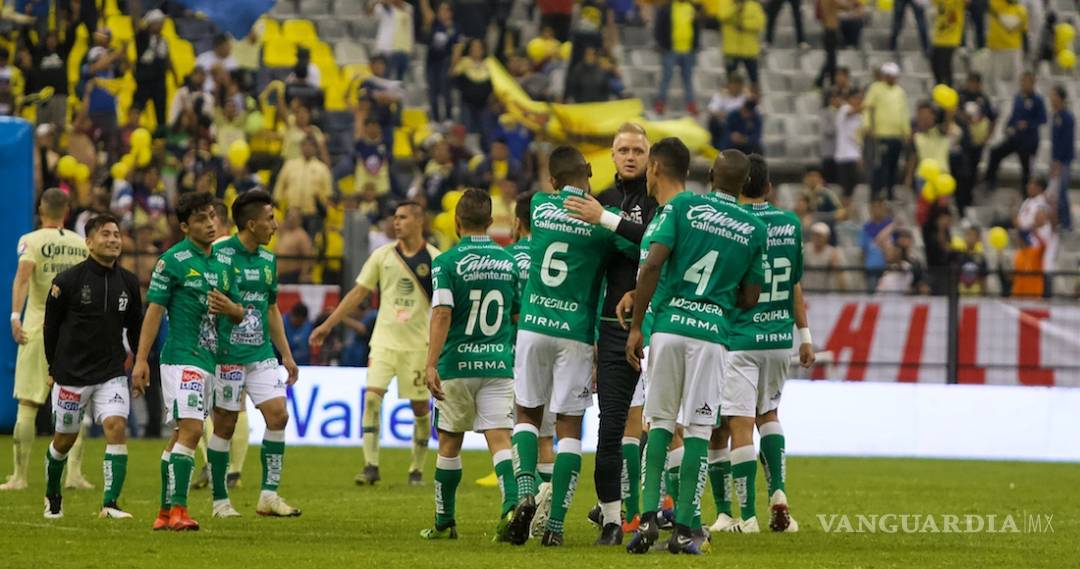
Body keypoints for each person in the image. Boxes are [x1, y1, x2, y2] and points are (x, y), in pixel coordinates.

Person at [626, 147, 765, 554]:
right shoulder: (754, 229)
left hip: (668, 329)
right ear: (743, 185)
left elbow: (652, 264)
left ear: (710, 176)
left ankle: (649, 519)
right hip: (712, 335)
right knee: (701, 430)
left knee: (660, 424)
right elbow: (751, 296)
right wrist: (720, 297)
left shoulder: (684, 205)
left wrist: (637, 326)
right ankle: (685, 528)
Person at [508, 146, 637, 547]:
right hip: (576, 332)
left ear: (551, 180)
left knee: (527, 413)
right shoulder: (600, 221)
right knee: (568, 427)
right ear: (590, 172)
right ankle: (556, 526)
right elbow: (637, 249)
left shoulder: (542, 206)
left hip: (533, 325)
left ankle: (526, 489)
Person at [562, 123, 658, 542]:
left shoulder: (660, 199)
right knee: (612, 427)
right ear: (613, 156)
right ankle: (614, 518)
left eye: (638, 149)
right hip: (612, 328)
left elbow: (655, 248)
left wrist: (607, 221)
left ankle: (659, 512)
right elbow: (593, 269)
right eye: (624, 150)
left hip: (660, 325)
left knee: (666, 426)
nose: (631, 156)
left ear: (650, 157)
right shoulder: (602, 200)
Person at [132, 192, 244, 531]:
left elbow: (239, 312)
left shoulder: (224, 263)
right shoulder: (173, 260)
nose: (210, 224)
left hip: (209, 359)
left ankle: (164, 513)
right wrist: (140, 360)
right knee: (194, 431)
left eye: (212, 217)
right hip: (181, 358)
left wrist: (231, 309)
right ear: (184, 226)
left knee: (180, 433)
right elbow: (153, 311)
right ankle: (180, 510)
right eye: (200, 219)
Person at [420, 188, 527, 541]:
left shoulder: (446, 263)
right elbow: (515, 315)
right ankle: (511, 503)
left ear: (456, 221)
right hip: (498, 363)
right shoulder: (509, 261)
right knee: (499, 438)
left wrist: (431, 362)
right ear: (491, 220)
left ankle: (444, 521)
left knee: (450, 441)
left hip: (457, 364)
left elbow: (442, 312)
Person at [716, 154, 814, 534]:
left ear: (738, 186)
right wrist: (804, 336)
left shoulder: (734, 223)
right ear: (769, 187)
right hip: (778, 337)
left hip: (740, 336)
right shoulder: (790, 224)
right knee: (768, 414)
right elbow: (794, 283)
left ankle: (746, 517)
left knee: (737, 423)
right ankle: (779, 493)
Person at [310, 202, 441, 486]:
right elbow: (358, 293)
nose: (396, 222)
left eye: (403, 217)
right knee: (371, 399)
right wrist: (327, 325)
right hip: (383, 341)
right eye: (394, 217)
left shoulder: (435, 259)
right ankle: (371, 466)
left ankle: (416, 469)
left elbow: (445, 308)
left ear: (419, 221)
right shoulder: (382, 255)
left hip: (418, 345)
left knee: (420, 409)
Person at [207, 190, 302, 518]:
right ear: (251, 224)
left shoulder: (267, 260)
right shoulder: (218, 253)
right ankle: (220, 501)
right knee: (225, 424)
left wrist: (286, 355)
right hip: (225, 355)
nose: (275, 226)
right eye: (270, 219)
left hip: (260, 353)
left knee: (279, 415)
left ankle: (268, 496)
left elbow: (271, 309)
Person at [41, 214, 143, 519]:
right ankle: (52, 495)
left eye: (116, 234)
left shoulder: (128, 282)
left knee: (117, 427)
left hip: (111, 372)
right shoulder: (68, 281)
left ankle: (110, 505)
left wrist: (139, 361)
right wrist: (52, 368)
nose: (113, 239)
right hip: (71, 374)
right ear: (89, 242)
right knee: (64, 440)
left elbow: (135, 327)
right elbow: (51, 327)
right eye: (105, 234)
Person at [4, 189, 89, 492]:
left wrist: (15, 315)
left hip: (39, 325)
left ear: (41, 208)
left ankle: (19, 476)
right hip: (77, 330)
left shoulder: (31, 240)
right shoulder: (82, 245)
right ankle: (75, 475)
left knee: (28, 401)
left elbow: (24, 275)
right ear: (67, 209)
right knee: (80, 401)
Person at [984, 72, 1046, 193]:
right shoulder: (1018, 97)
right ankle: (990, 182)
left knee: (1026, 170)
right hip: (1015, 138)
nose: (1023, 84)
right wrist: (1008, 126)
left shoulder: (1038, 100)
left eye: (1026, 81)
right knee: (995, 152)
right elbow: (1014, 115)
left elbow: (1042, 119)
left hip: (1029, 141)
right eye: (1022, 81)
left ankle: (1026, 195)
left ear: (1032, 83)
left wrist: (1028, 124)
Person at [862, 63, 909, 200]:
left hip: (896, 135)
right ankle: (876, 191)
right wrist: (867, 125)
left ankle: (890, 191)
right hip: (881, 135)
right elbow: (867, 108)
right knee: (881, 165)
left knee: (894, 166)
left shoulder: (900, 92)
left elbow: (904, 113)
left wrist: (906, 131)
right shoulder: (876, 88)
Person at [273, 135, 333, 235]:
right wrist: (282, 209)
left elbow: (328, 195)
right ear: (301, 147)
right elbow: (279, 189)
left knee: (309, 246)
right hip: (291, 213)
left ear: (315, 149)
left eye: (311, 146)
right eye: (305, 145)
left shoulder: (322, 169)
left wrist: (323, 213)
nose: (307, 148)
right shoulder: (289, 165)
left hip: (312, 215)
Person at [653, 0, 702, 115]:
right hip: (671, 49)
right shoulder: (667, 8)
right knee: (666, 78)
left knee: (688, 79)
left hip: (688, 50)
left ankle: (691, 105)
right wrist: (661, 44)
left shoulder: (691, 8)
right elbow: (659, 26)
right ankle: (660, 104)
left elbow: (696, 27)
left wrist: (695, 45)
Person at [132, 8, 175, 128]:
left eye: (161, 22)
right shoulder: (142, 37)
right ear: (150, 23)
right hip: (144, 80)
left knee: (161, 111)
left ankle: (161, 136)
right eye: (158, 22)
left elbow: (167, 59)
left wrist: (175, 76)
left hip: (159, 81)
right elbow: (135, 26)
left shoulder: (164, 41)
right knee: (137, 107)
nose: (160, 25)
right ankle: (131, 130)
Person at [718, 0, 765, 86]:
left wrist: (744, 25)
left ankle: (754, 98)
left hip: (749, 50)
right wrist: (736, 8)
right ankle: (730, 99)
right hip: (731, 50)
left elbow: (760, 23)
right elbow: (721, 16)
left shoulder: (754, 5)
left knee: (754, 80)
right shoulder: (725, 2)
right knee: (730, 80)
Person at [1049, 85, 1074, 232]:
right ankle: (1058, 219)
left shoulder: (1067, 117)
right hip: (1056, 160)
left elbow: (1066, 141)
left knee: (1062, 190)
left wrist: (1058, 160)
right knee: (1056, 192)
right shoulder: (1055, 116)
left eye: (1054, 96)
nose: (1052, 99)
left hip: (1063, 161)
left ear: (1060, 98)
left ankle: (1066, 223)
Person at [372, 0, 415, 80]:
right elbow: (371, 12)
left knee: (400, 82)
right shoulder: (384, 8)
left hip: (404, 50)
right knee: (385, 80)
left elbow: (409, 29)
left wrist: (410, 48)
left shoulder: (409, 8)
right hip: (388, 50)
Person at [987, 0, 1027, 85]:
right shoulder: (995, 3)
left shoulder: (1021, 11)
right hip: (996, 49)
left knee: (1017, 79)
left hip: (1013, 49)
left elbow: (1012, 28)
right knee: (995, 79)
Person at [803, 222, 848, 291]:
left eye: (820, 236)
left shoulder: (833, 252)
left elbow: (840, 275)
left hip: (824, 294)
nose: (817, 238)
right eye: (815, 235)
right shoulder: (804, 250)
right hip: (806, 291)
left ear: (826, 237)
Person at [930, 0, 964, 86]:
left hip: (951, 38)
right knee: (935, 64)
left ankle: (949, 87)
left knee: (945, 65)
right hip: (938, 38)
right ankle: (939, 86)